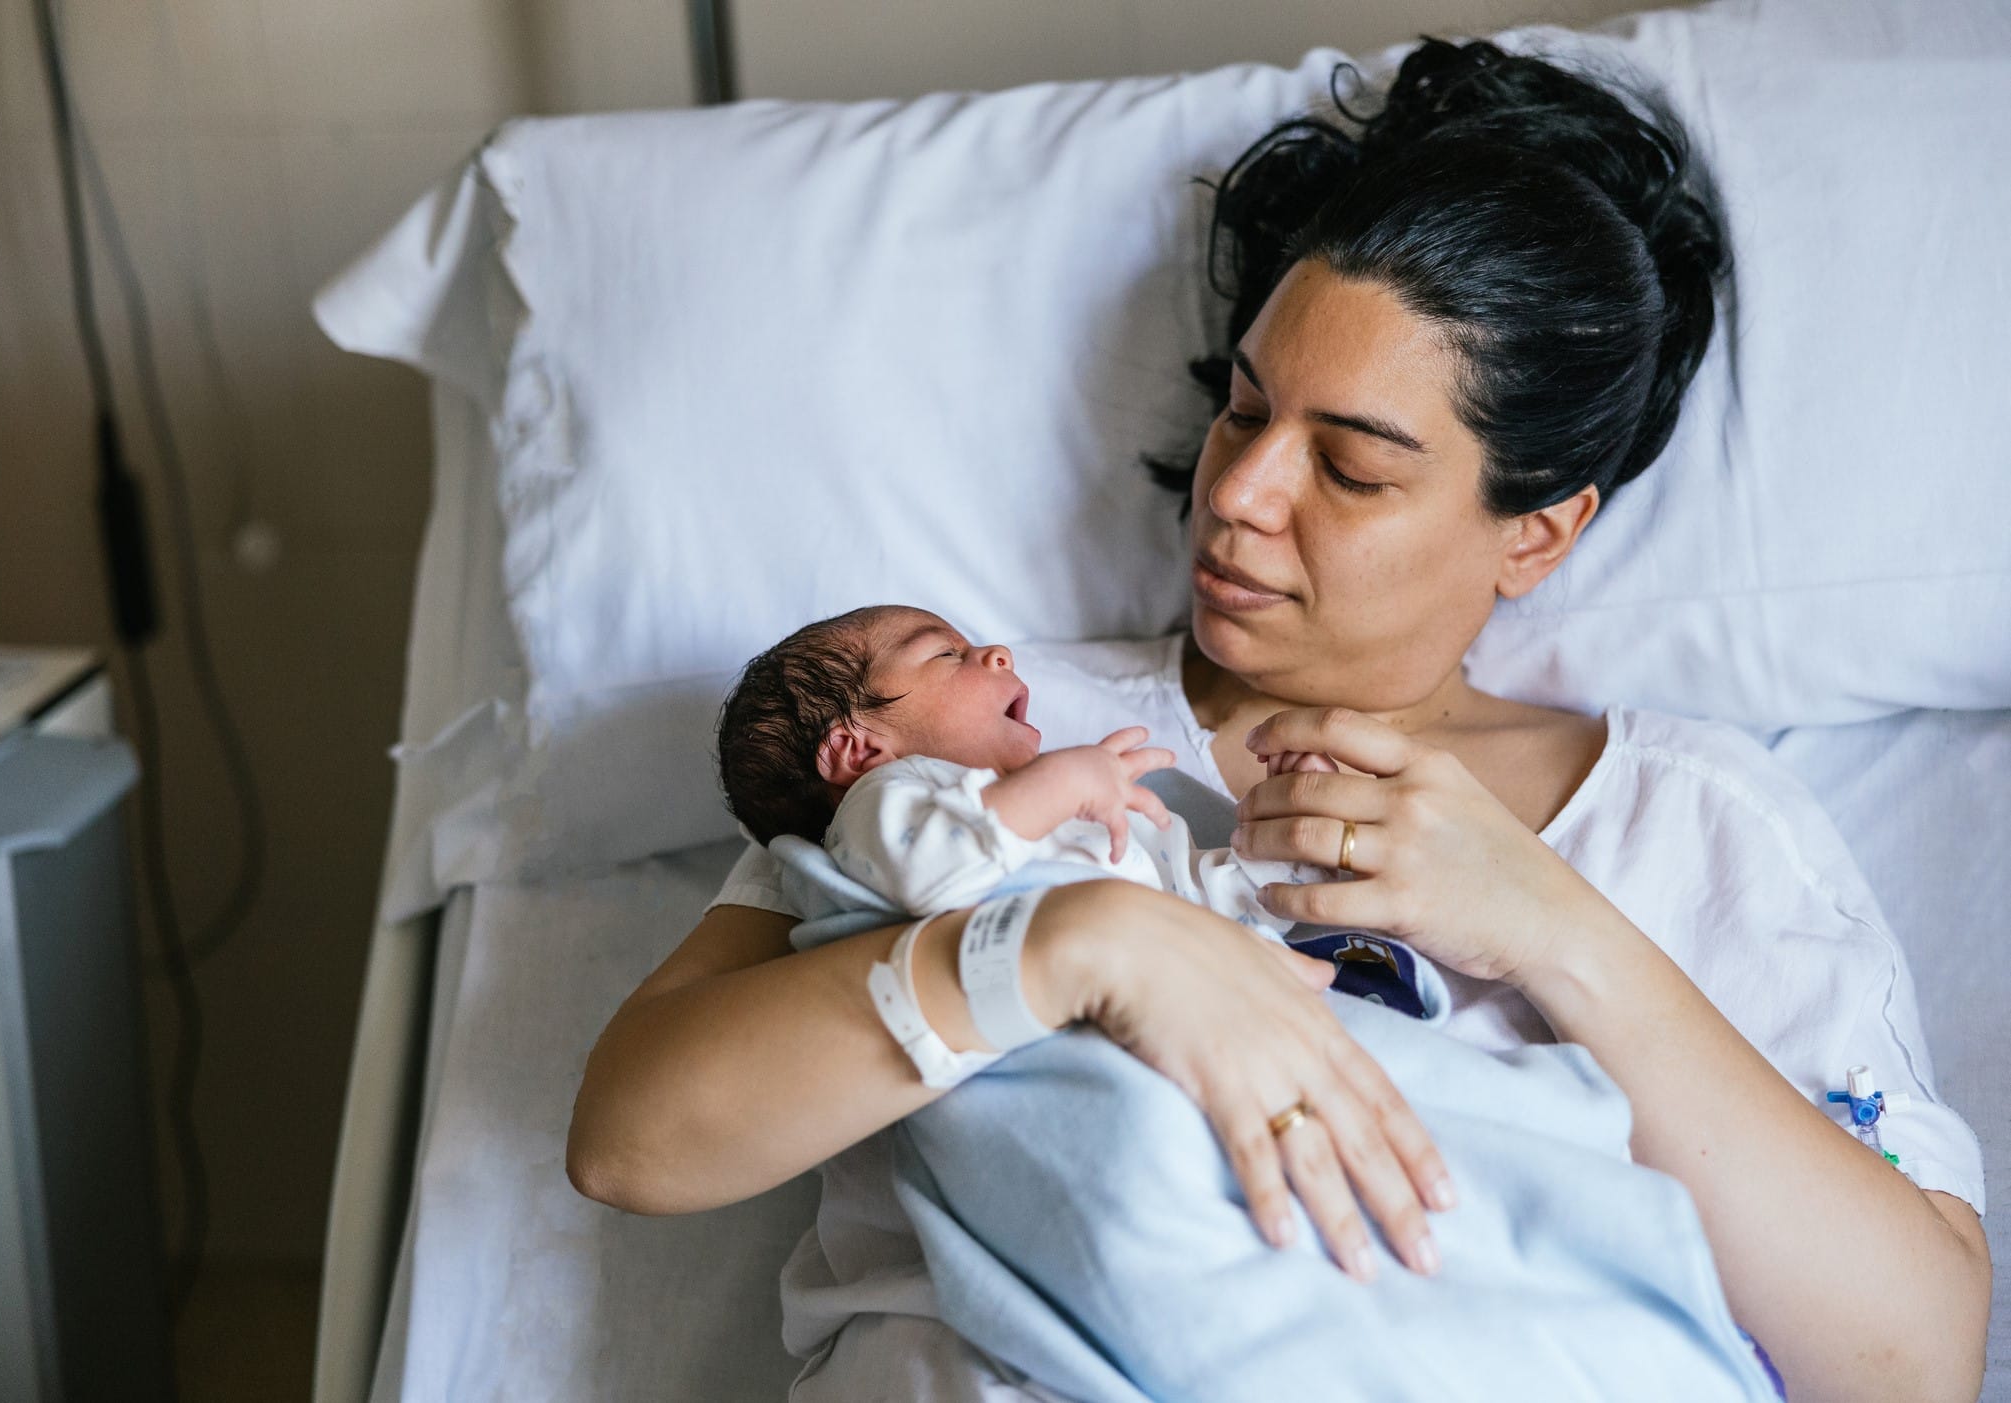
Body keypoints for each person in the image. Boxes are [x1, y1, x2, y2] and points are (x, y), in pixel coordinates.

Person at [567, 38, 1990, 1403]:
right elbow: (637, 1135)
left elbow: (1909, 1360)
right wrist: (1072, 944)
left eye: (1351, 467)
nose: (1237, 493)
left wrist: (1553, 925)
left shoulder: (1689, 823)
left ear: (1536, 534)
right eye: (1244, 412)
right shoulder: (979, 731)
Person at [715, 603, 1337, 939]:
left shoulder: (1047, 814)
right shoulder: (880, 803)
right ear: (859, 751)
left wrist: (1297, 820)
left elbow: (1218, 899)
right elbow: (927, 867)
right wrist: (1064, 783)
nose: (995, 653)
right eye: (945, 654)